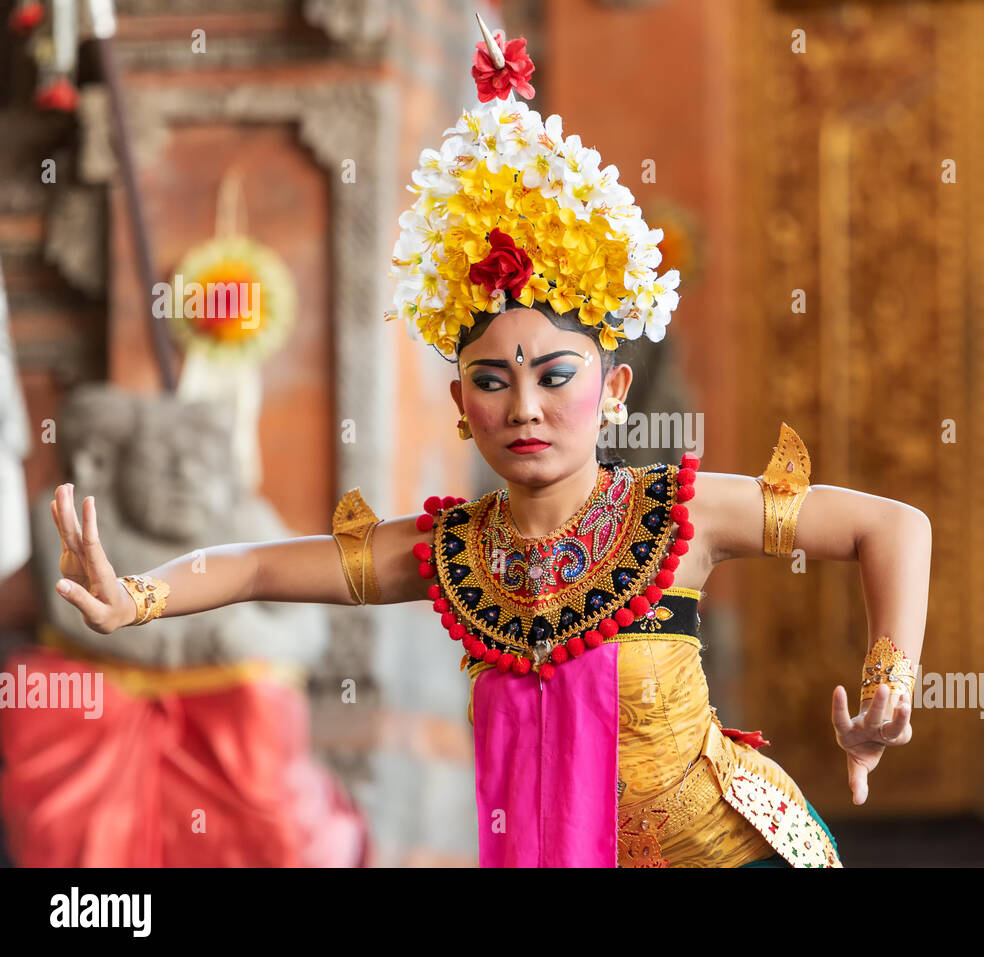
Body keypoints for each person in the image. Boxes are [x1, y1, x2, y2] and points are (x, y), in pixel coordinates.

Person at [48, 21, 931, 867]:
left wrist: (890, 683)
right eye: (494, 381)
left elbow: (893, 527)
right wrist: (139, 597)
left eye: (555, 375)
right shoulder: (454, 555)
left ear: (613, 391)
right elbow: (254, 567)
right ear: (461, 404)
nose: (526, 407)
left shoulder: (678, 515)